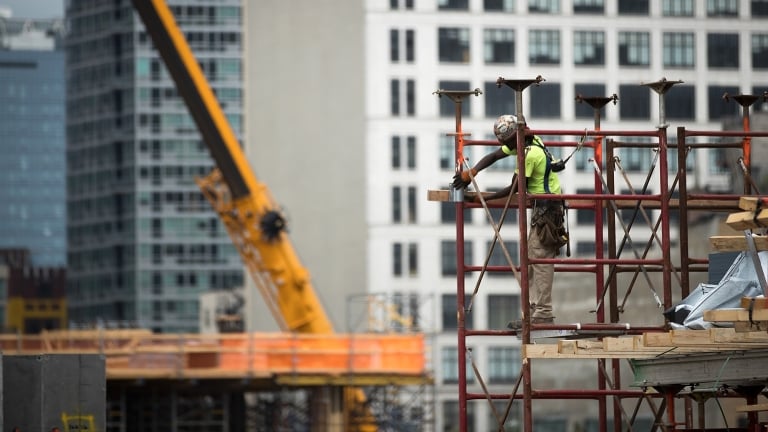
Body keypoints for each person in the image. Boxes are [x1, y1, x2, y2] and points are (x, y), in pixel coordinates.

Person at [452, 114, 567, 325]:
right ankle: (535, 312)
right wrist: (473, 172)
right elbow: (495, 156)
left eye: (505, 142)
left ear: (512, 138)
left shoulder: (530, 154)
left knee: (539, 260)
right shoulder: (528, 140)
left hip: (548, 210)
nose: (503, 146)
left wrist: (483, 198)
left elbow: (514, 188)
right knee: (532, 259)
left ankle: (542, 313)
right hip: (543, 209)